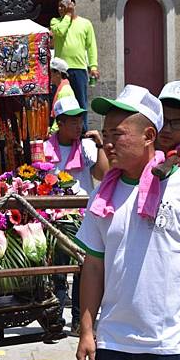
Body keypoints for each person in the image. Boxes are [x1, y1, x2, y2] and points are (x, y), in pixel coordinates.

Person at [75, 85, 180, 360]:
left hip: (172, 345)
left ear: (149, 136)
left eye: (118, 134)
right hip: (114, 344)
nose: (108, 143)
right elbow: (94, 266)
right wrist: (87, 330)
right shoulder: (102, 197)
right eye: (106, 134)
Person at [43, 95, 108, 336]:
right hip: (55, 217)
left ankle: (80, 319)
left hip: (83, 215)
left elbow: (104, 174)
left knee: (84, 268)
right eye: (72, 121)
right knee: (58, 269)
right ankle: (55, 318)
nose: (78, 125)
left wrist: (100, 145)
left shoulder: (88, 146)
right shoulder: (45, 148)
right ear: (60, 122)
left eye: (80, 120)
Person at [50, 0, 99, 132]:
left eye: (64, 6)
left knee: (81, 102)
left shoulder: (85, 23)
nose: (61, 8)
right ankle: (60, 131)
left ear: (73, 5)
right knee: (60, 101)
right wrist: (68, 15)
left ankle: (83, 132)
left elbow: (91, 46)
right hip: (60, 70)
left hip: (79, 68)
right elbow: (60, 31)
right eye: (59, 6)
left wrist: (93, 66)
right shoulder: (55, 21)